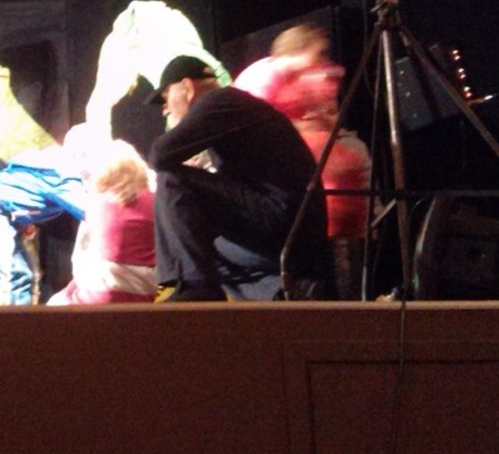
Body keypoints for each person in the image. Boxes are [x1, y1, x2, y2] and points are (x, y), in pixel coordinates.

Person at [147, 55, 334, 301]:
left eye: (165, 98)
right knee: (204, 250)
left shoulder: (220, 100)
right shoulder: (233, 107)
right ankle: (281, 292)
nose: (165, 109)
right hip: (298, 233)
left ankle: (195, 289)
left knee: (171, 179)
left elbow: (159, 155)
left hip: (285, 223)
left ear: (187, 87)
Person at [233, 24, 374, 299]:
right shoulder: (266, 78)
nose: (324, 61)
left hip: (325, 212)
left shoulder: (304, 80)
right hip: (313, 211)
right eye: (318, 52)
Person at [0, 143, 87, 306]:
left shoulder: (52, 166)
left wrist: (22, 220)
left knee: (21, 273)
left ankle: (20, 318)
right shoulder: (63, 176)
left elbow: (19, 188)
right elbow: (91, 212)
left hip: (3, 211)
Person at [48, 138, 156, 305]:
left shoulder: (96, 204)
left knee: (56, 302)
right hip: (149, 292)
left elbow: (80, 260)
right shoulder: (156, 202)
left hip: (103, 294)